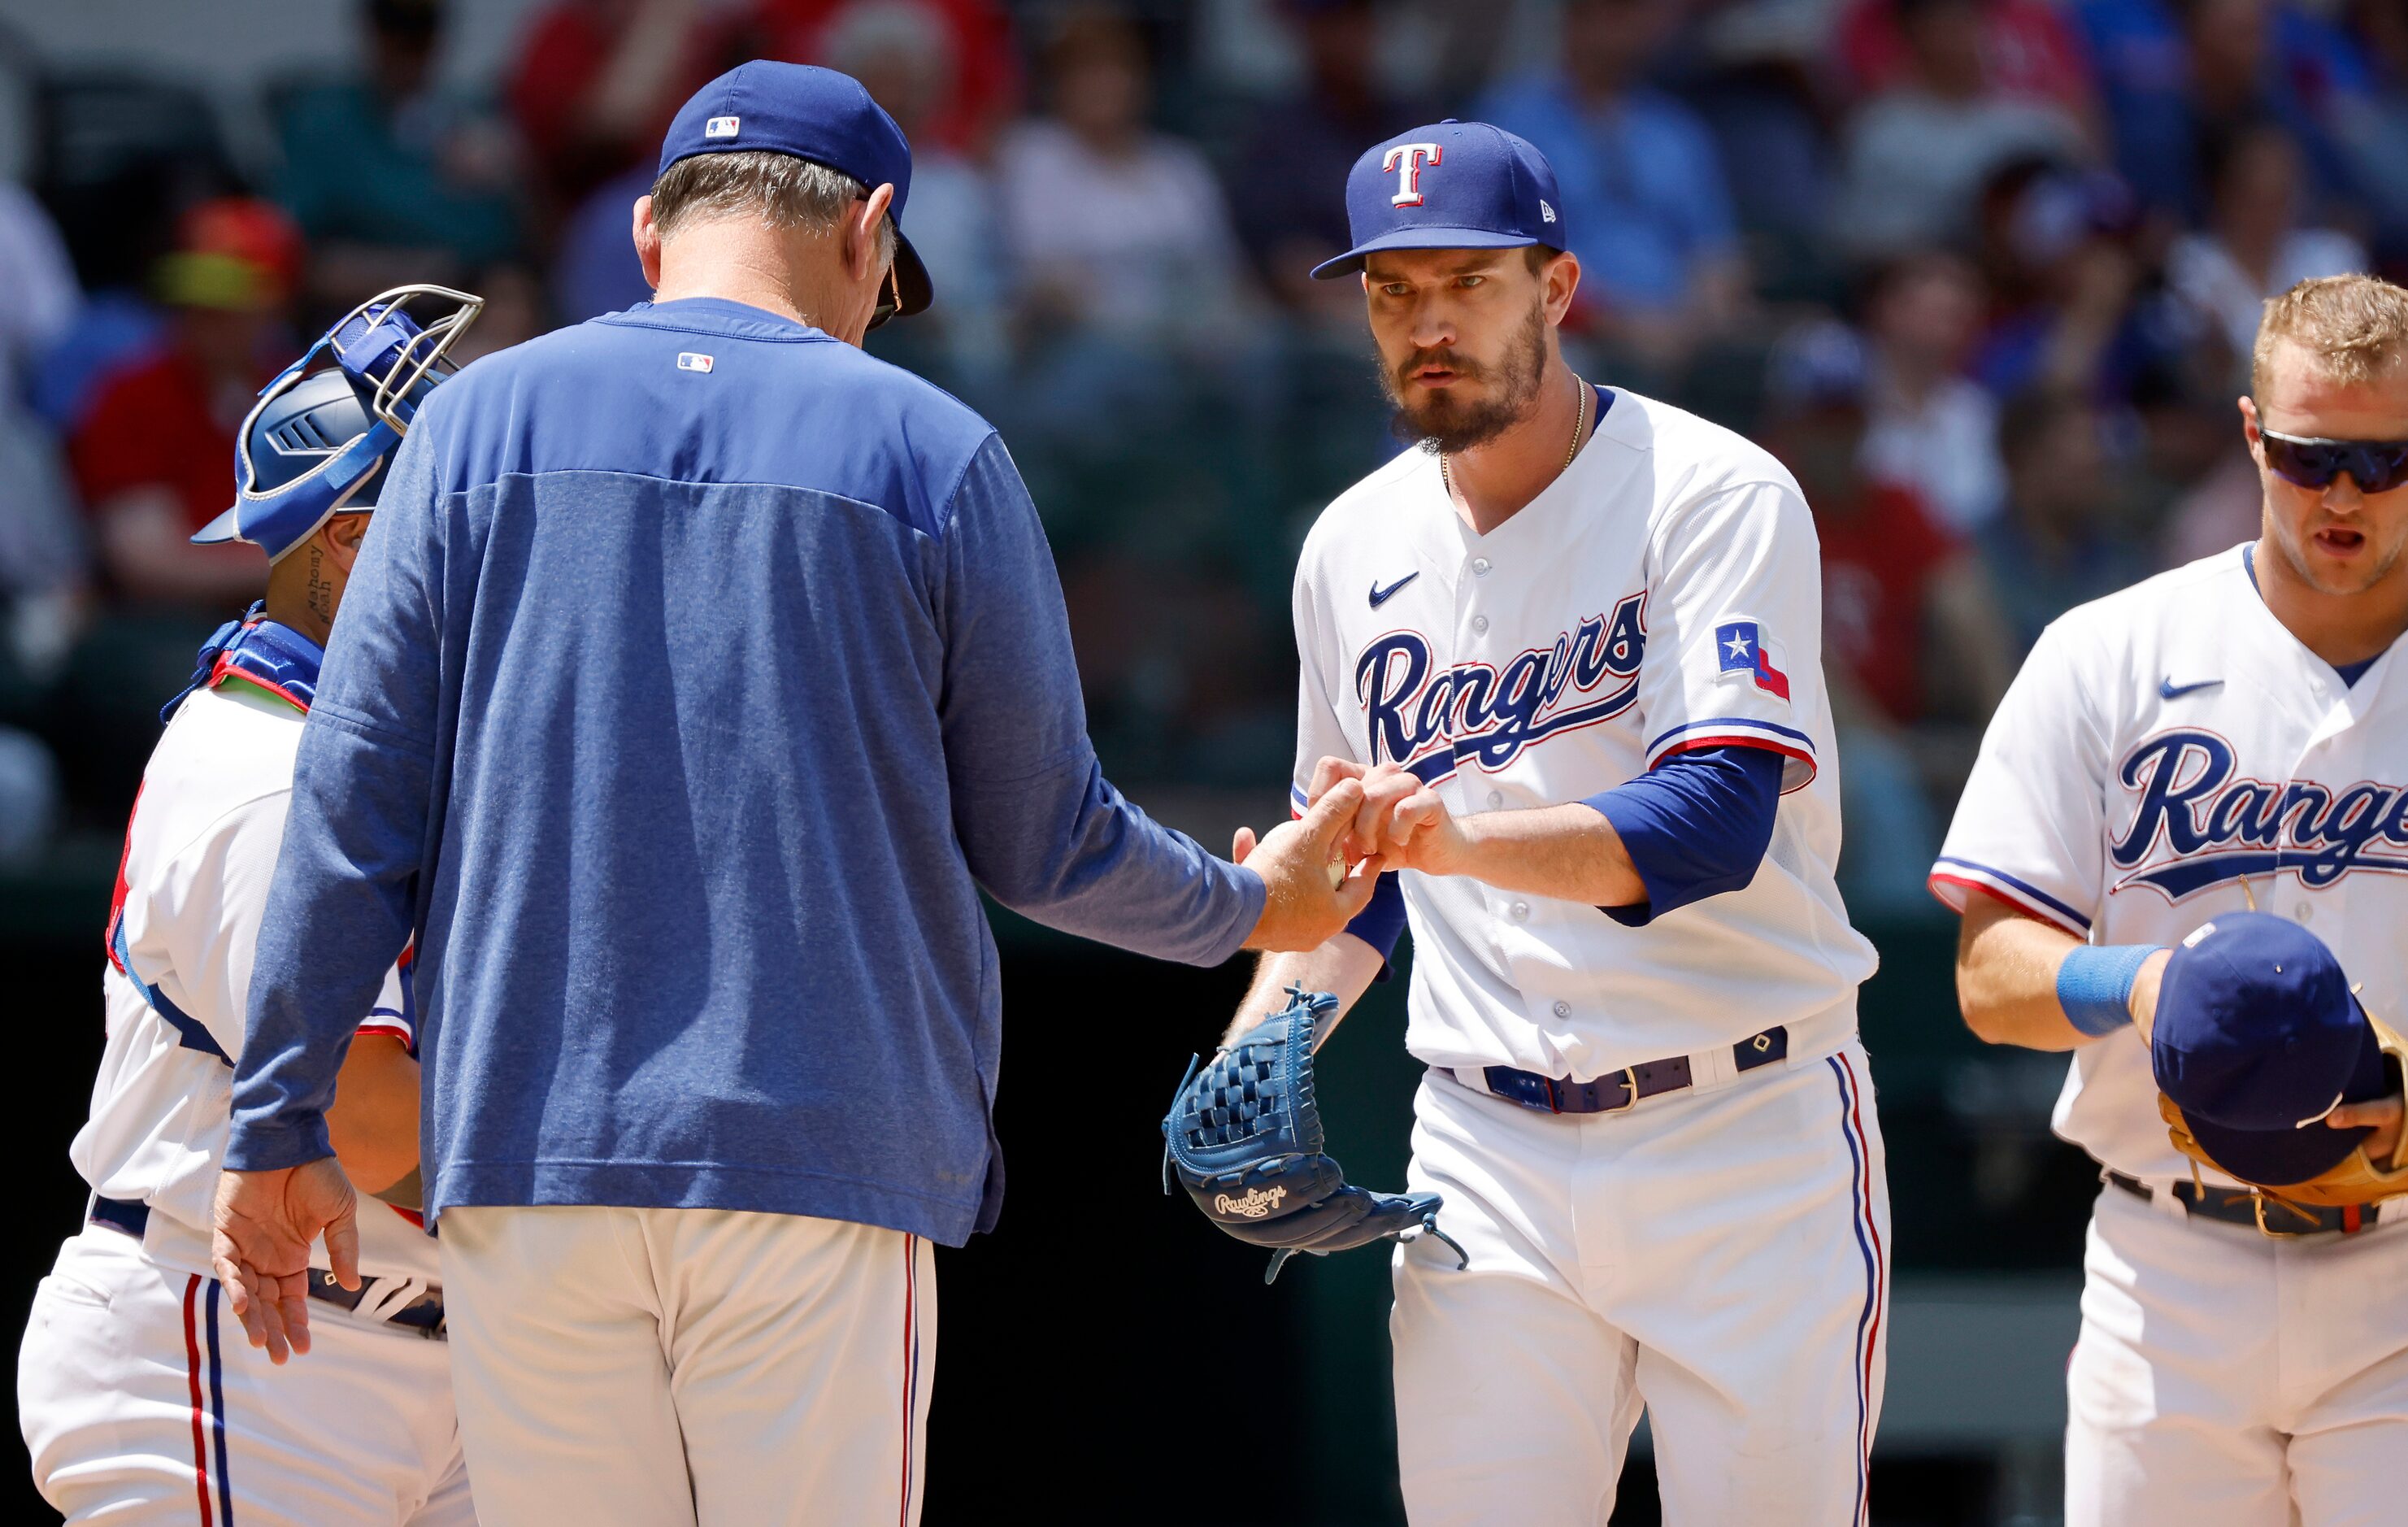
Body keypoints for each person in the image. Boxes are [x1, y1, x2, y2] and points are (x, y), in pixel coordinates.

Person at [207, 62, 1374, 1527]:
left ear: (649, 233)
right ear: (870, 230)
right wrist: (1256, 904)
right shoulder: (930, 448)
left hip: (524, 1161)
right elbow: (1048, 840)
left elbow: (348, 810)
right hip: (817, 1156)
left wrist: (274, 1120)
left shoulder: (465, 429)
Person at [1241, 119, 1891, 1523]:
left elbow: (1712, 821)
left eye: (1466, 281)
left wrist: (1450, 838)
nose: (1427, 323)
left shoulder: (1712, 491)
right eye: (1390, 291)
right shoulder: (1346, 545)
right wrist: (1258, 1052)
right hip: (1488, 1151)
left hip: (1743, 1124)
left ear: (1557, 286)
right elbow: (1355, 876)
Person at [1932, 272, 2408, 1525]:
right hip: (2167, 1262)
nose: (2343, 493)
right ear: (2253, 435)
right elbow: (1990, 975)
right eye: (2310, 456)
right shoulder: (2109, 654)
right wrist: (2138, 983)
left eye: (2382, 456)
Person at [18, 285, 485, 1525]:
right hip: (240, 1360)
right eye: (465, 526)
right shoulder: (266, 773)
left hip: (426, 1360)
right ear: (348, 538)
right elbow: (370, 1120)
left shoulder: (393, 753)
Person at [1476, 0, 1749, 370]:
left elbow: (1716, 259)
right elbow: (1513, 257)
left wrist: (1693, 328)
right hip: (1568, 334)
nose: (1618, 27)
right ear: (1573, 18)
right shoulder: (1512, 121)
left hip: (1682, 341)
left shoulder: (1678, 131)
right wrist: (1622, 326)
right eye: (1605, 11)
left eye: (1631, 11)